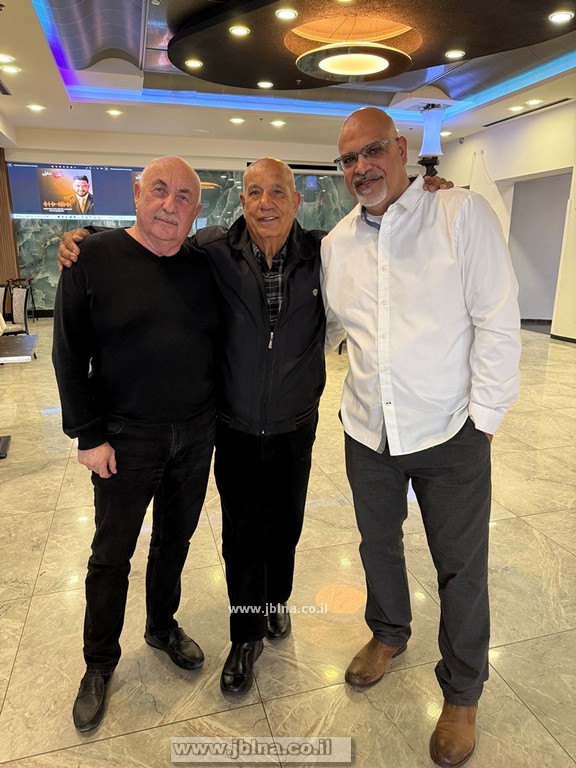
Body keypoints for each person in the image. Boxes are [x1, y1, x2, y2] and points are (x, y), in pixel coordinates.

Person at [57, 157, 451, 699]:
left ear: (296, 200)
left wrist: (422, 195)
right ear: (240, 202)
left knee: (280, 530)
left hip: (287, 426)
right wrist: (82, 234)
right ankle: (239, 638)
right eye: (255, 193)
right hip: (225, 428)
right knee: (231, 538)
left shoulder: (323, 252)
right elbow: (147, 244)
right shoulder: (215, 250)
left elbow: (383, 242)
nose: (266, 203)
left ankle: (270, 604)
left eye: (278, 192)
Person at [321, 108, 521, 767]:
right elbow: (329, 329)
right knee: (376, 544)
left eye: (372, 150)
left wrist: (485, 420)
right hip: (367, 431)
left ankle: (462, 693)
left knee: (461, 566)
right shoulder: (336, 245)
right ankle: (389, 631)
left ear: (401, 149)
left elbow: (497, 321)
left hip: (449, 430)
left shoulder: (460, 215)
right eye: (349, 159)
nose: (361, 167)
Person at [52, 156, 219, 733]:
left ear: (197, 211)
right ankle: (99, 662)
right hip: (124, 438)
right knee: (111, 554)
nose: (170, 205)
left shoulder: (205, 265)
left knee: (175, 539)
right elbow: (68, 352)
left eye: (183, 197)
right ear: (136, 193)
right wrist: (89, 435)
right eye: (159, 190)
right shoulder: (91, 258)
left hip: (195, 434)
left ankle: (161, 625)